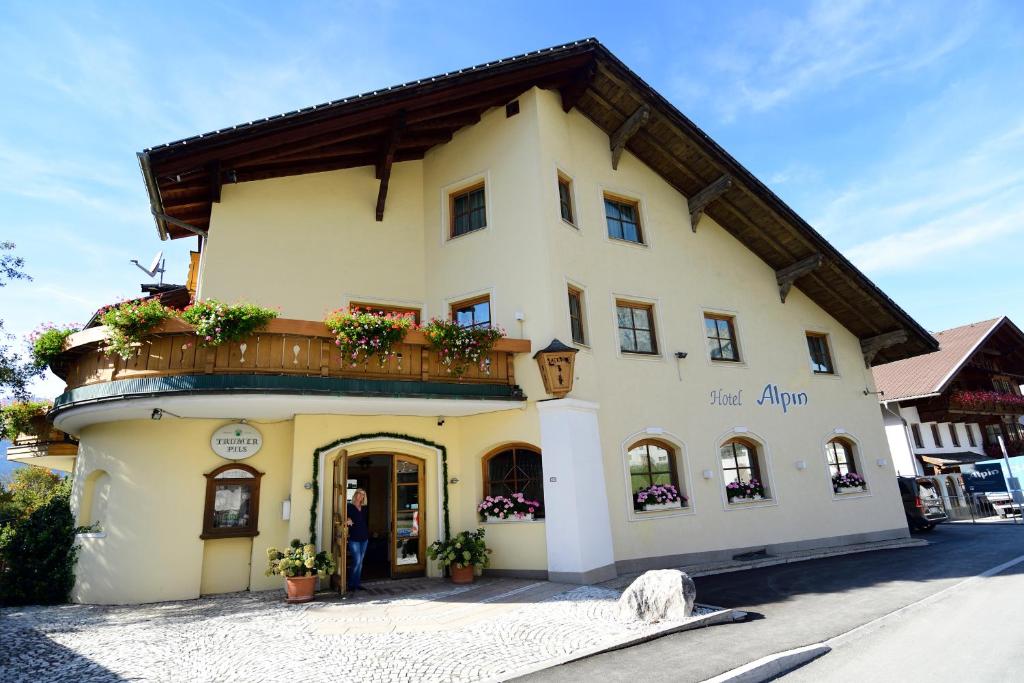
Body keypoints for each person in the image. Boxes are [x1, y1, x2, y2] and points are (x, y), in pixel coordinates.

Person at [345, 488, 369, 591]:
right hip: (354, 538)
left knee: (360, 562)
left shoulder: (364, 508)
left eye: (363, 495)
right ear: (355, 495)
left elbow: (365, 522)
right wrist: (347, 519)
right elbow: (344, 518)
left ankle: (357, 584)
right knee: (357, 560)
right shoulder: (349, 507)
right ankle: (350, 584)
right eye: (359, 494)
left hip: (364, 538)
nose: (361, 496)